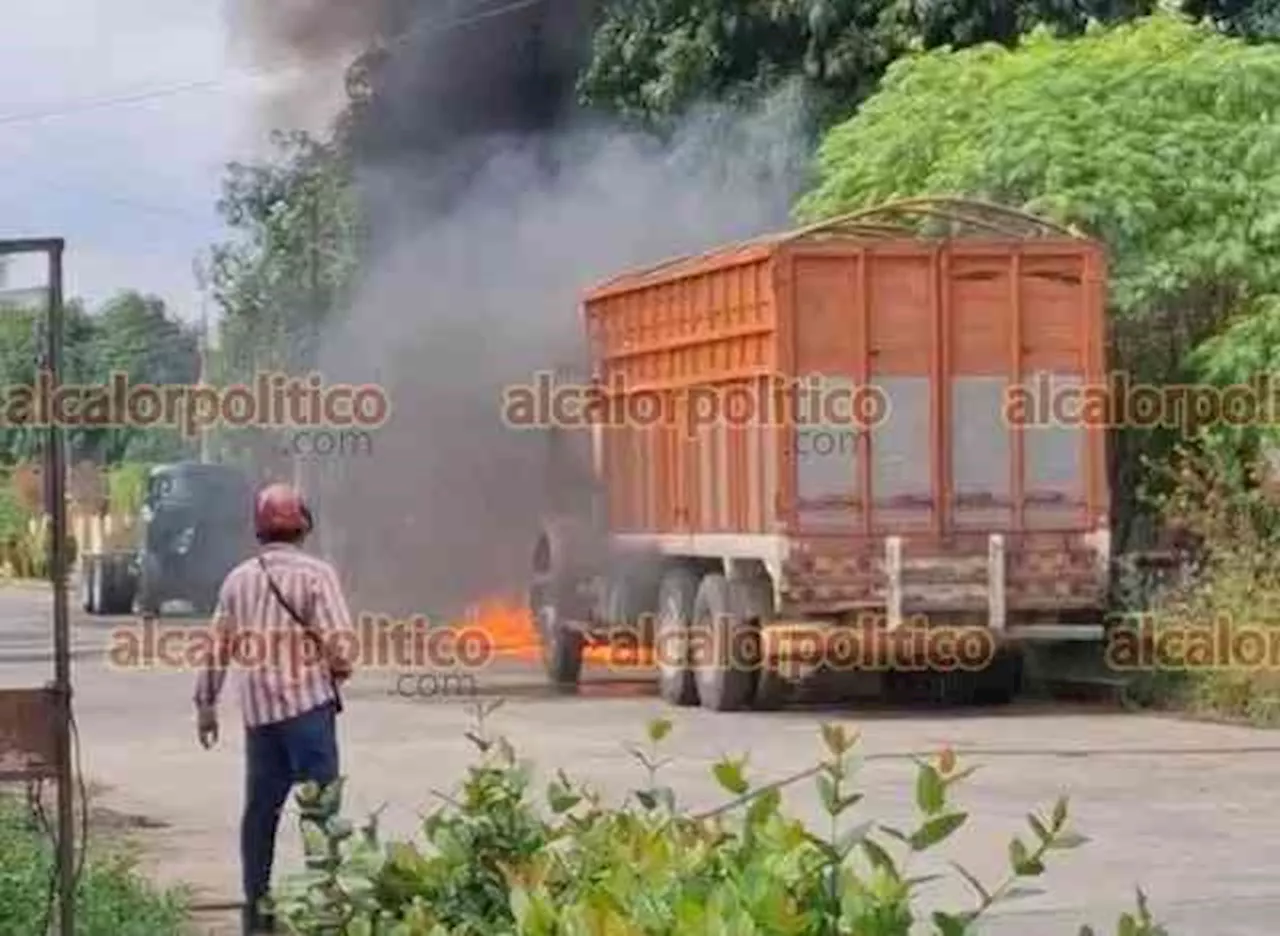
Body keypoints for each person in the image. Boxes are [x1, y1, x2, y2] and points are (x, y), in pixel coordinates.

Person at [193, 482, 355, 935]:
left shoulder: (238, 580)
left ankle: (257, 908)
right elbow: (341, 644)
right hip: (310, 714)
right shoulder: (317, 575)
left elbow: (216, 649)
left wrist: (206, 704)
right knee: (320, 811)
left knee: (261, 813)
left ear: (259, 529)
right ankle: (324, 903)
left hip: (261, 720)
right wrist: (336, 671)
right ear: (303, 525)